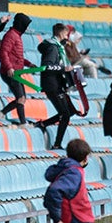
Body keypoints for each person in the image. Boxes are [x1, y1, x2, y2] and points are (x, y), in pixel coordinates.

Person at [33, 23, 76, 151]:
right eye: (65, 33)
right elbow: (47, 66)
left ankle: (43, 124)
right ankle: (57, 144)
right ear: (60, 33)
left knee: (70, 111)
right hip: (52, 84)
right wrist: (64, 68)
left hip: (57, 83)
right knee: (65, 114)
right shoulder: (52, 47)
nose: (66, 36)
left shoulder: (57, 47)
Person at [0, 12, 34, 124]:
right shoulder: (11, 35)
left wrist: (29, 64)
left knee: (21, 98)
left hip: (16, 72)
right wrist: (9, 68)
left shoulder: (16, 35)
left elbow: (17, 56)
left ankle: (1, 114)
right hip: (10, 72)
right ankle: (22, 123)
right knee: (20, 98)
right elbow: (3, 52)